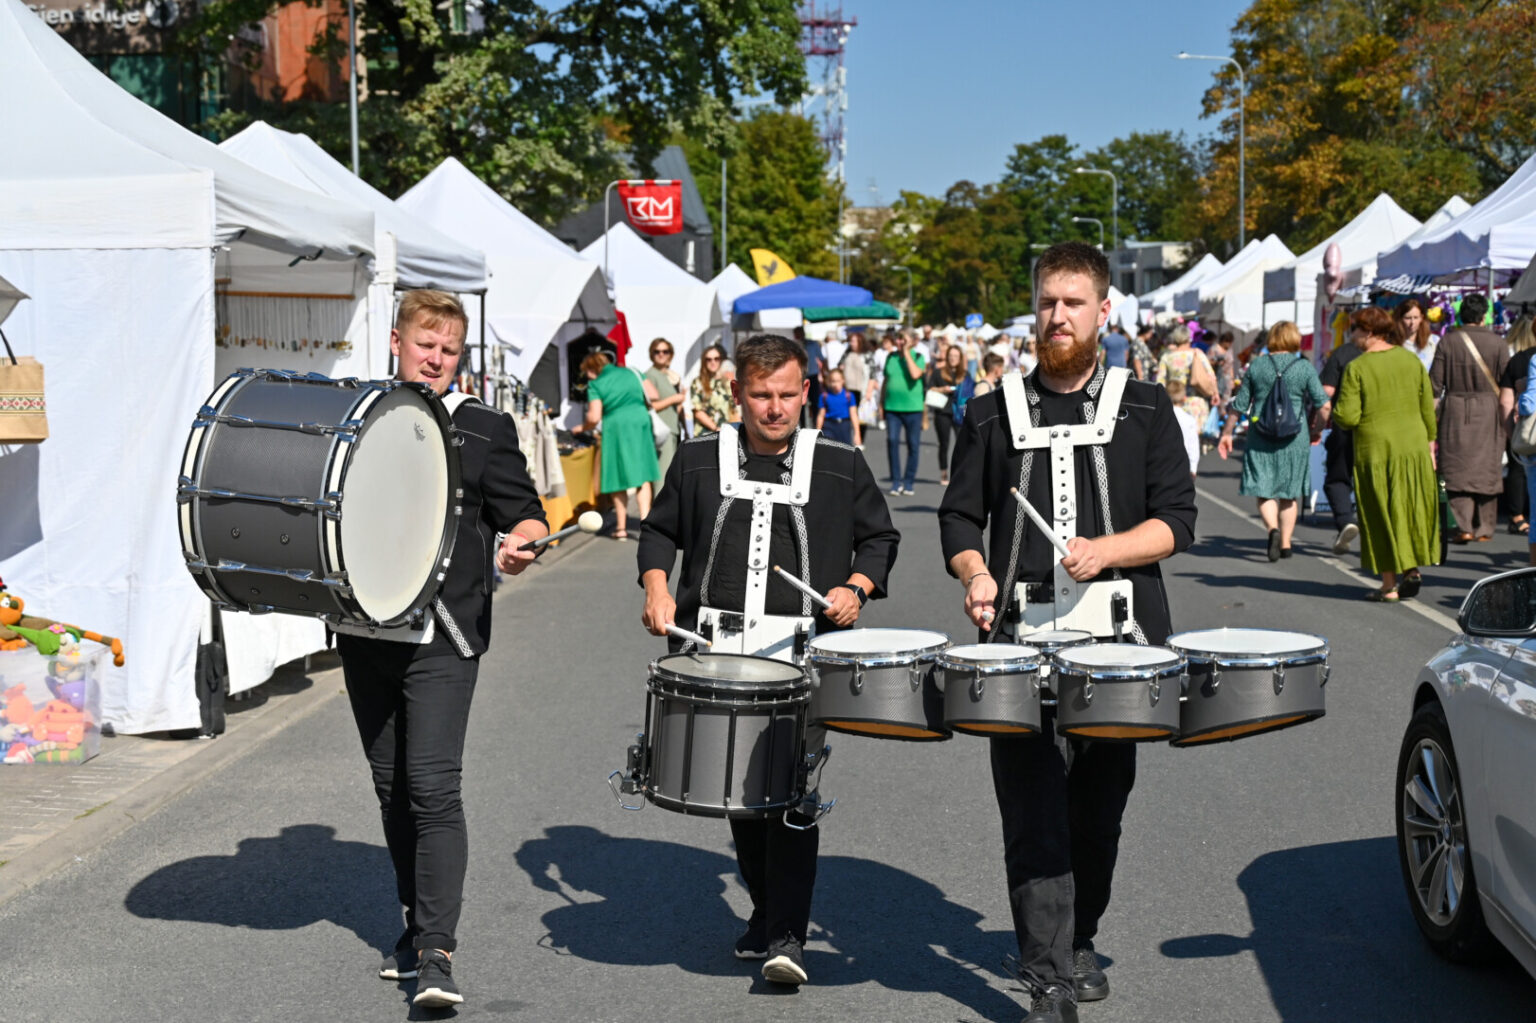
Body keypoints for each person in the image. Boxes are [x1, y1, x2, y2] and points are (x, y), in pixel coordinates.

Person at [938, 243, 1197, 1023]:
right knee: (1033, 813)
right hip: (1018, 644)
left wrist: (1106, 551)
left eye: (1073, 303)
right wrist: (976, 575)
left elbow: (1177, 520)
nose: (1057, 316)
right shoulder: (988, 412)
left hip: (1122, 648)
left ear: (1103, 311)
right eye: (1048, 302)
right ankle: (1047, 978)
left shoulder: (1146, 407)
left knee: (1098, 810)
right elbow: (959, 517)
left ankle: (1079, 935)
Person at [638, 334, 899, 989]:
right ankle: (764, 909)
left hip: (802, 656)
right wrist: (657, 588)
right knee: (738, 794)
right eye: (760, 395)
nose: (775, 408)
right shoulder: (697, 458)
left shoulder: (840, 462)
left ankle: (787, 935)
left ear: (805, 391)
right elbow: (660, 530)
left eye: (786, 394)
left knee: (791, 795)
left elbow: (879, 537)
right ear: (737, 393)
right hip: (713, 651)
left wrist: (856, 587)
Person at [332, 290, 549, 1010]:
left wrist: (521, 543)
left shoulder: (484, 425)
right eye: (426, 345)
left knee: (432, 786)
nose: (436, 359)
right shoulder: (358, 412)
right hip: (365, 632)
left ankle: (436, 951)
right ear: (397, 341)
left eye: (449, 349)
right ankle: (414, 922)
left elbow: (526, 514)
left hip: (444, 634)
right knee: (391, 787)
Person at [1332, 305, 1439, 600]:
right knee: (1408, 509)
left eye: (1354, 329)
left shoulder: (1357, 368)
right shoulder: (1410, 360)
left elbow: (1348, 416)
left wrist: (1332, 411)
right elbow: (1427, 408)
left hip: (1376, 449)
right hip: (1413, 446)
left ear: (1368, 332)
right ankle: (1411, 568)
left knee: (1379, 512)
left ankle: (1389, 584)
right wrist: (1430, 444)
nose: (1351, 336)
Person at [1216, 321, 1328, 561]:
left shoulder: (1258, 365)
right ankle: (1286, 543)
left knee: (1264, 489)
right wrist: (1317, 429)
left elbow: (1240, 404)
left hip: (1261, 434)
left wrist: (1226, 433)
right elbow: (1324, 406)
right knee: (1290, 493)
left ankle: (1272, 529)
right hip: (1295, 436)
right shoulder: (1304, 367)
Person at [1430, 293, 1508, 543]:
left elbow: (1435, 385)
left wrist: (1429, 422)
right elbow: (1506, 382)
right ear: (1484, 315)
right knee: (1488, 467)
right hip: (1489, 410)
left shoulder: (1448, 342)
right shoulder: (1498, 343)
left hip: (1455, 409)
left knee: (1456, 468)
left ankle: (1463, 526)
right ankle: (1484, 528)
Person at [581, 352, 660, 540]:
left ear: (592, 369)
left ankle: (621, 528)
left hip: (615, 427)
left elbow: (594, 416)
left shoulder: (596, 384)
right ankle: (645, 523)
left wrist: (582, 427)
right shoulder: (632, 372)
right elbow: (653, 395)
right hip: (639, 422)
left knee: (617, 476)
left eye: (587, 372)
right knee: (643, 475)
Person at [1317, 328, 1366, 554]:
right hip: (1380, 427)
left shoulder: (1343, 353)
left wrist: (1318, 427)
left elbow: (1326, 392)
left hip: (1345, 425)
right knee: (1371, 481)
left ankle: (1346, 519)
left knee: (1337, 478)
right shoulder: (1394, 354)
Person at [1497, 316, 1536, 536]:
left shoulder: (1522, 360)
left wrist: (1511, 434)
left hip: (1528, 435)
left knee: (1518, 470)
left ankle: (1517, 516)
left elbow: (1507, 403)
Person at [881, 329, 927, 495]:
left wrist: (907, 352)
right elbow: (886, 381)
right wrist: (881, 404)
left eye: (903, 339)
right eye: (898, 339)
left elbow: (915, 374)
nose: (900, 342)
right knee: (892, 441)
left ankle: (908, 482)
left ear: (912, 341)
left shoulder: (919, 357)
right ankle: (896, 481)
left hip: (913, 408)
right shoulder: (890, 357)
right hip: (892, 408)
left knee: (913, 444)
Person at [1156, 324, 1219, 425]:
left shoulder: (1166, 357)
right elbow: (1211, 376)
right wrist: (1215, 393)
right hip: (1196, 403)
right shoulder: (1197, 353)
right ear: (1189, 338)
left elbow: (1160, 383)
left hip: (1174, 403)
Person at [927, 343, 971, 485]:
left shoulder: (965, 374)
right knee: (944, 443)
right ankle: (944, 472)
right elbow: (929, 388)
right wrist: (942, 389)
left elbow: (970, 392)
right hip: (943, 411)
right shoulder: (938, 372)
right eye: (951, 356)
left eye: (956, 356)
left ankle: (958, 472)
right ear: (947, 357)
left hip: (959, 412)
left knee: (961, 443)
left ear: (960, 358)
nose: (953, 358)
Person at [644, 338, 686, 483]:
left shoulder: (669, 376)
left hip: (673, 429)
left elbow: (677, 407)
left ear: (670, 354)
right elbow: (650, 406)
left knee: (671, 475)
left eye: (665, 351)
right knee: (662, 476)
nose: (661, 354)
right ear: (651, 354)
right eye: (657, 351)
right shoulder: (650, 375)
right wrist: (674, 398)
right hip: (661, 431)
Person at [690, 343, 736, 435]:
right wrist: (716, 428)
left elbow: (733, 410)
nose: (713, 362)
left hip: (725, 434)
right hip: (705, 434)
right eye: (709, 359)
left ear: (720, 360)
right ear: (704, 362)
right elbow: (697, 411)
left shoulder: (727, 383)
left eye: (716, 359)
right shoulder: (698, 382)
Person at [816, 367, 862, 447]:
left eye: (838, 381)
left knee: (845, 450)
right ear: (829, 382)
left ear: (843, 381)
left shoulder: (849, 396)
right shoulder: (824, 396)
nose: (835, 384)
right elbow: (821, 416)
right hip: (829, 425)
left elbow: (854, 415)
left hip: (844, 425)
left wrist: (857, 433)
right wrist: (817, 433)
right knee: (829, 449)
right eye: (833, 381)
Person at [1164, 380, 1201, 478]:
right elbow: (1193, 446)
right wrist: (1193, 468)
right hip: (1182, 463)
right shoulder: (1189, 420)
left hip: (1162, 462)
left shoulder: (1160, 417)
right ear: (1184, 398)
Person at [1399, 297, 1438, 372]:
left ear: (1422, 318)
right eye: (1408, 318)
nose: (1412, 322)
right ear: (1401, 318)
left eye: (1416, 317)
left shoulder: (1434, 341)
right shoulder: (1394, 342)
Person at [797, 325, 824, 427]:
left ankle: (816, 424)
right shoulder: (795, 345)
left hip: (812, 375)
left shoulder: (813, 344)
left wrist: (824, 373)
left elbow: (821, 358)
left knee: (815, 402)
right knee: (800, 403)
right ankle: (802, 425)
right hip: (800, 376)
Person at [1208, 331, 1237, 404]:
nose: (1230, 344)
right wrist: (1217, 363)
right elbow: (1208, 363)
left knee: (1226, 402)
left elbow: (1231, 365)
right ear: (1224, 341)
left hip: (1227, 381)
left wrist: (1232, 379)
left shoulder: (1229, 350)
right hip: (1217, 379)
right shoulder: (1214, 349)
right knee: (1216, 401)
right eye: (1228, 342)